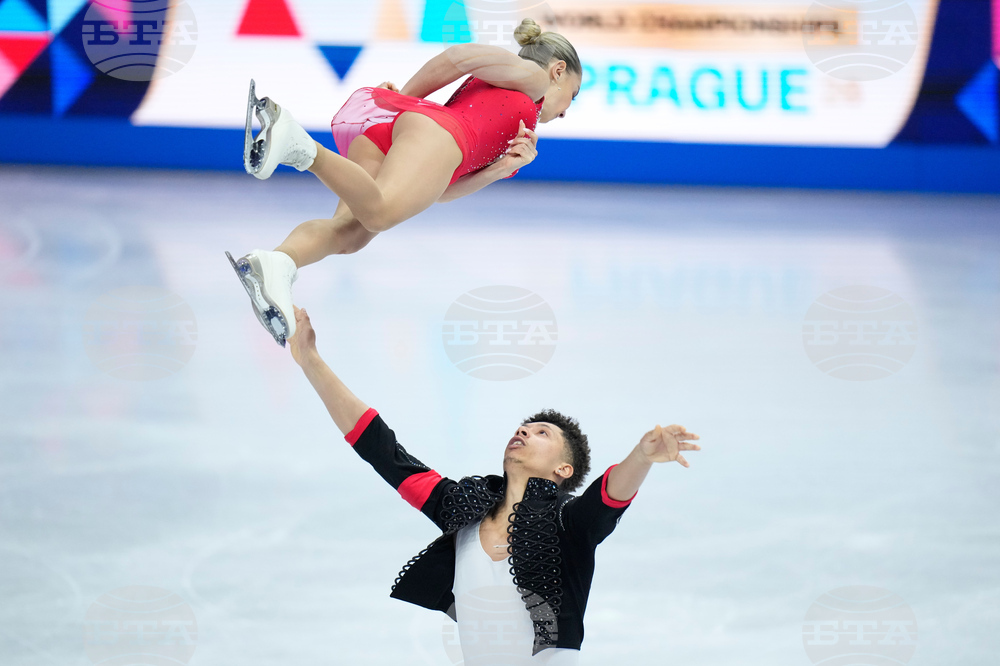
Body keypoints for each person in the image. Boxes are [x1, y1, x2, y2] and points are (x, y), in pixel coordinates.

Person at [287, 306, 701, 662]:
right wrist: (310, 360)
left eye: (542, 433)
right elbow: (381, 449)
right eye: (524, 427)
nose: (523, 431)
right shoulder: (461, 508)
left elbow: (609, 496)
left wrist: (641, 456)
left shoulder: (570, 527)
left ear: (563, 469)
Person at [227, 19, 583, 347]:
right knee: (379, 214)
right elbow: (460, 57)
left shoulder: (522, 131)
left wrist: (501, 169)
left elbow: (441, 191)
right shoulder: (534, 79)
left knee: (350, 233)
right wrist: (404, 100)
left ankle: (277, 263)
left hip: (412, 138)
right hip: (434, 133)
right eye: (574, 93)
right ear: (558, 70)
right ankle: (298, 144)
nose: (567, 111)